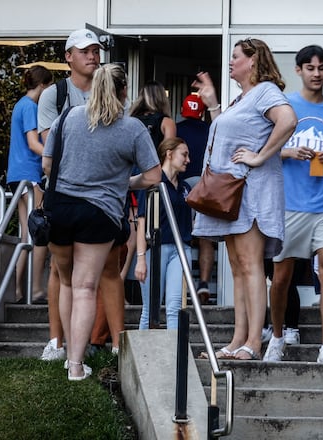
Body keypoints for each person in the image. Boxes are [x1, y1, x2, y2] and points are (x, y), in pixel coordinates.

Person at [42, 63, 160, 380]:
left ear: (93, 88)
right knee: (85, 287)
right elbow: (153, 176)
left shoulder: (67, 117)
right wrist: (124, 183)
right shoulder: (133, 128)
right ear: (123, 91)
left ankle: (68, 353)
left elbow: (47, 164)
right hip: (100, 213)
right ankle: (76, 366)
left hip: (59, 208)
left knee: (66, 282)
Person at [191, 37, 297, 361]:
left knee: (251, 266)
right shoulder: (242, 98)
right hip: (231, 194)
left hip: (250, 193)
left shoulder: (266, 91)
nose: (230, 61)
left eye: (236, 56)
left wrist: (260, 155)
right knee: (238, 268)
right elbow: (228, 135)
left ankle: (254, 341)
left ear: (253, 60)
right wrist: (212, 104)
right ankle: (238, 339)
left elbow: (288, 120)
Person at [262, 45, 323, 364]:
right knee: (281, 277)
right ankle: (277, 337)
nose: (316, 74)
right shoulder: (286, 106)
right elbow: (262, 149)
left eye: (321, 68)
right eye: (310, 68)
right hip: (289, 204)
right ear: (298, 71)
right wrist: (288, 152)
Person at [37, 28, 110, 361]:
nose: (92, 56)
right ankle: (57, 342)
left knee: (96, 274)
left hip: (100, 196)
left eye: (95, 51)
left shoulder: (107, 90)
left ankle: (88, 343)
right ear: (68, 57)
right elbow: (49, 146)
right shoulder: (55, 94)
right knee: (60, 270)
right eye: (84, 51)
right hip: (63, 191)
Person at [7, 65, 53, 304]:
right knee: (41, 228)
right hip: (29, 174)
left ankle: (16, 290)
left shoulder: (20, 105)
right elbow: (34, 143)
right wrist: (56, 157)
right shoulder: (30, 107)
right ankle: (35, 289)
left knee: (26, 234)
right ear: (43, 86)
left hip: (17, 175)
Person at [135, 137, 192, 330]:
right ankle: (144, 350)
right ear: (169, 154)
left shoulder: (185, 188)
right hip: (155, 250)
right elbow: (141, 222)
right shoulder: (153, 183)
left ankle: (174, 350)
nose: (188, 160)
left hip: (181, 249)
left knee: (175, 307)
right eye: (184, 154)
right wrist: (140, 259)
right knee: (150, 309)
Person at [176, 94, 213, 305]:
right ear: (202, 112)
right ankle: (204, 283)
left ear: (183, 110)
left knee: (183, 236)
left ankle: (183, 284)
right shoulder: (210, 129)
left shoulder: (177, 130)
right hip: (206, 185)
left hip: (184, 186)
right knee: (206, 236)